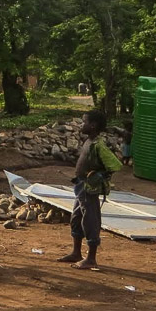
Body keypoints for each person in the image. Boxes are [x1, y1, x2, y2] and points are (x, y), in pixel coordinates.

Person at [57, 109, 121, 270]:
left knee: (90, 221)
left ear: (93, 125)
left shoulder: (98, 145)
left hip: (88, 188)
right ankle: (76, 253)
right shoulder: (89, 141)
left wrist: (99, 176)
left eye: (84, 122)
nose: (81, 124)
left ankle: (91, 258)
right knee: (77, 219)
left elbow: (115, 165)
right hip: (81, 186)